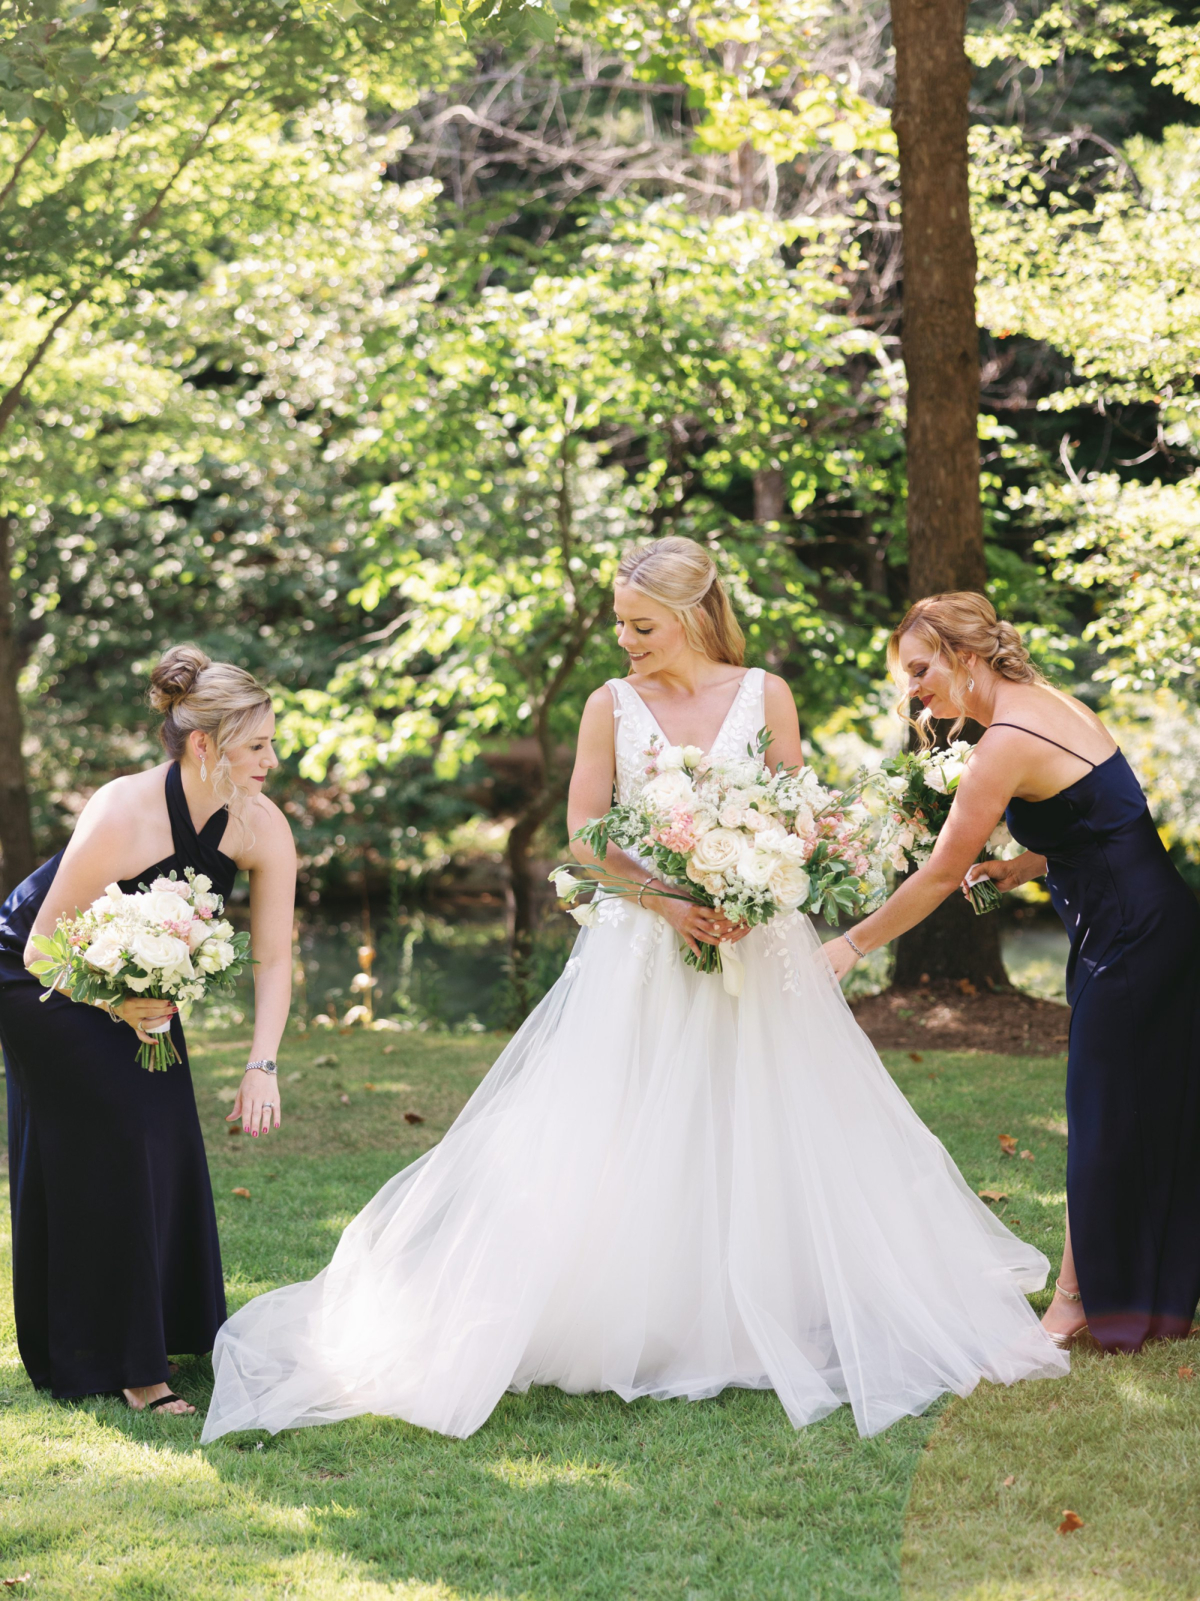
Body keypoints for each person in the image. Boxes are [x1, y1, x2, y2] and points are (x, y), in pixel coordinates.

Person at [202, 539, 1065, 1446]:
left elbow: (794, 816)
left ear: (692, 615)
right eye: (620, 623)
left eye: (641, 625)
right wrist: (665, 901)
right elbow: (581, 834)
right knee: (623, 1124)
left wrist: (756, 884)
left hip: (753, 943)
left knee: (762, 1117)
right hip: (643, 948)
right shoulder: (609, 705)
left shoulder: (764, 692)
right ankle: (640, 1311)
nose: (626, 640)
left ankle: (760, 1304)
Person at [826, 591, 1200, 1352]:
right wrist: (1021, 866)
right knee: (1144, 1108)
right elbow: (1106, 819)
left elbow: (936, 875)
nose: (914, 689)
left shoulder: (1006, 739)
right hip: (1148, 922)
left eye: (921, 668)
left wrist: (850, 946)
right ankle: (1147, 1294)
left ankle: (1075, 1302)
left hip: (1132, 938)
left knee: (1100, 1115)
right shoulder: (1044, 702)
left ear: (965, 655)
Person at [0, 646, 296, 1414]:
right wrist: (113, 1006)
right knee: (124, 1130)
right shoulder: (122, 808)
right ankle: (138, 1369)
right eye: (257, 744)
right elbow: (40, 947)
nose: (273, 758)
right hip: (39, 973)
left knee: (164, 1130)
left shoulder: (261, 826)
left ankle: (159, 1326)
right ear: (206, 744)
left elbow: (272, 956)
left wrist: (261, 1063)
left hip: (135, 985)